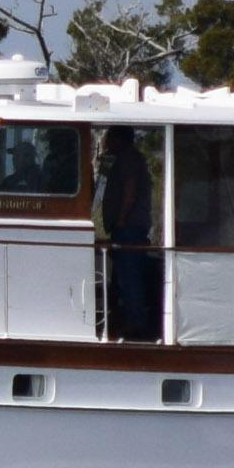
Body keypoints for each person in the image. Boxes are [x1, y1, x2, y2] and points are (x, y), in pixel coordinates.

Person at [97, 127, 156, 339]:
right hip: (125, 228)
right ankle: (129, 318)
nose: (105, 141)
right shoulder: (124, 158)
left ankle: (136, 323)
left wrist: (121, 220)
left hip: (129, 228)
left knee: (130, 276)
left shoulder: (129, 159)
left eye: (109, 137)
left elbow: (129, 192)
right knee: (124, 276)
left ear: (119, 139)